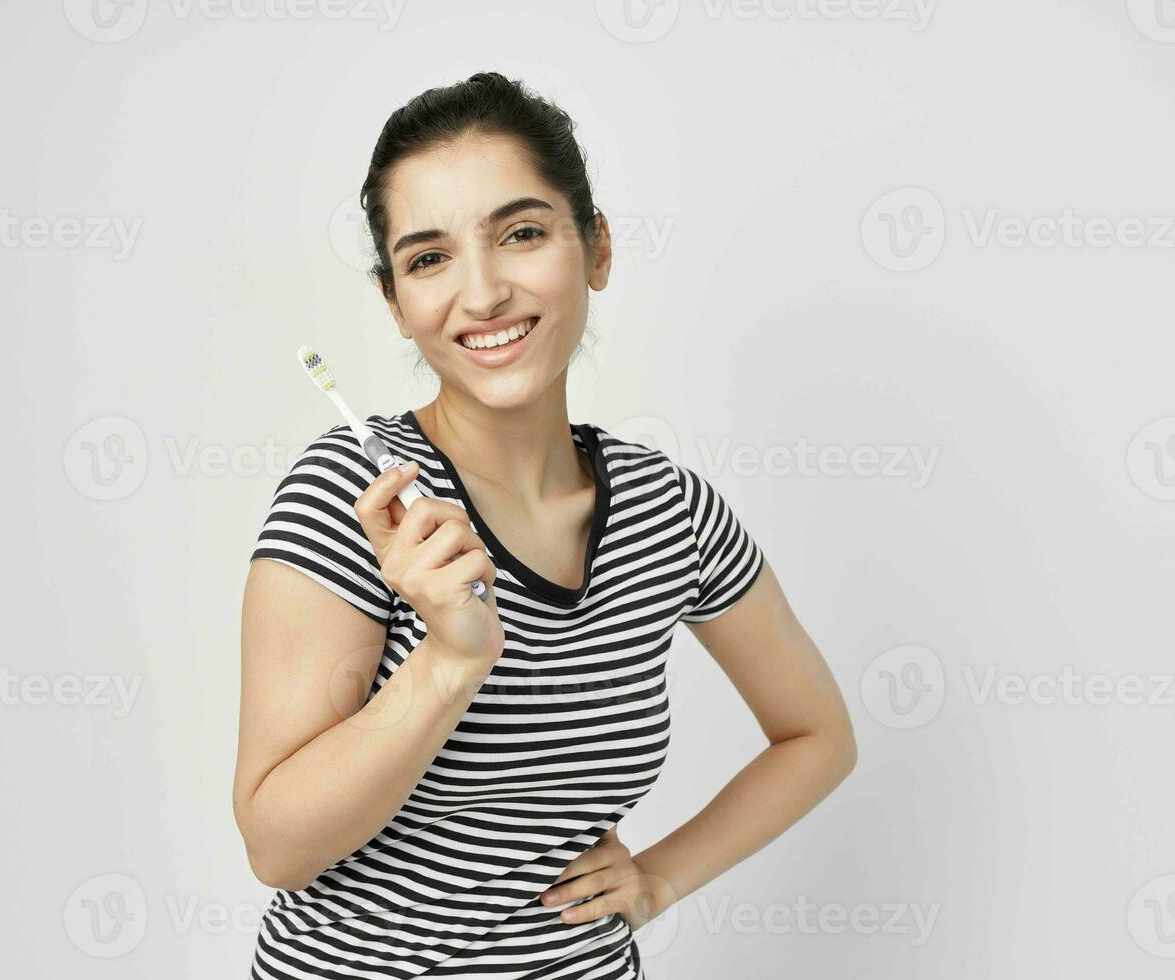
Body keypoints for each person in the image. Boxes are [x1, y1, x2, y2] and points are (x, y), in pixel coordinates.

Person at [235, 71, 857, 980]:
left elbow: (818, 735)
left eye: (521, 234)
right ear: (397, 305)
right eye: (429, 258)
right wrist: (448, 664)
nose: (482, 293)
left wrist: (657, 880)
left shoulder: (668, 511)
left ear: (595, 248)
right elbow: (277, 850)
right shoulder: (356, 498)